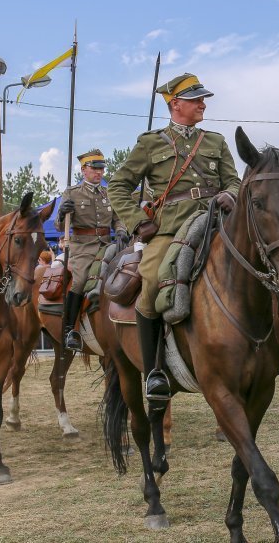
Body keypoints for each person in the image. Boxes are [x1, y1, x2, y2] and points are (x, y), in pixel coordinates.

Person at [108, 73, 241, 401]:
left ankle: (264, 349)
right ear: (175, 104)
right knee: (152, 278)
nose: (203, 104)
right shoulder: (151, 143)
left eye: (202, 99)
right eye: (196, 100)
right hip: (171, 229)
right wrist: (139, 222)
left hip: (217, 224)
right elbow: (118, 186)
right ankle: (155, 370)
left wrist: (231, 195)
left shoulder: (215, 141)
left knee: (259, 266)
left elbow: (234, 181)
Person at [56, 149, 128, 352]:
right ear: (83, 170)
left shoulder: (108, 193)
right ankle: (70, 330)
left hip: (108, 244)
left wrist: (121, 231)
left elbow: (117, 218)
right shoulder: (72, 193)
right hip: (83, 247)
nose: (99, 172)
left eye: (101, 169)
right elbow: (59, 227)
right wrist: (62, 213)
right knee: (79, 280)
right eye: (94, 168)